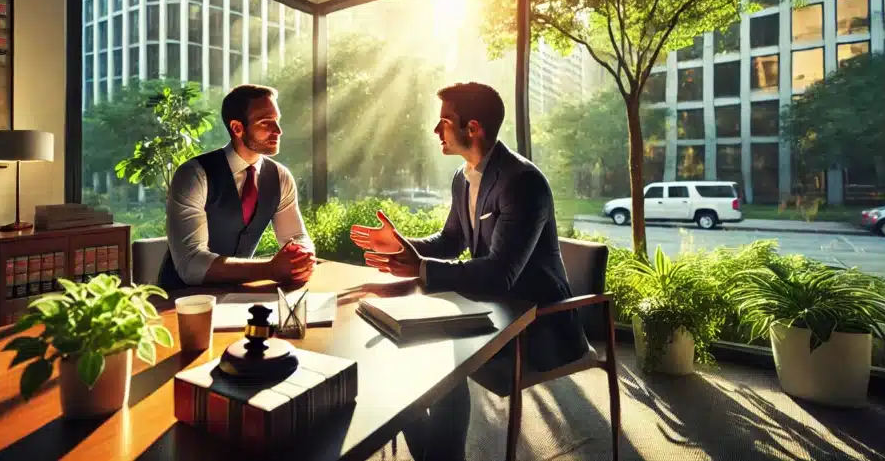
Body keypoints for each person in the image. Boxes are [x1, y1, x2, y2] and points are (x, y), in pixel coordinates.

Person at [350, 82, 589, 461]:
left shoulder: (523, 182)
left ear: (472, 128)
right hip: (490, 309)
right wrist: (402, 245)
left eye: (444, 121)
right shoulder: (464, 177)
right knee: (408, 349)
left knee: (441, 360)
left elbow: (500, 275)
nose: (435, 130)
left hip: (537, 323)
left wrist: (423, 269)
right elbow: (450, 240)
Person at [159, 84, 316, 289]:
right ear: (237, 128)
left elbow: (296, 236)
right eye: (265, 123)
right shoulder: (193, 175)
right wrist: (269, 269)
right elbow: (191, 264)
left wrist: (302, 257)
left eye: (277, 121)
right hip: (179, 301)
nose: (278, 131)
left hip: (239, 295)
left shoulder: (281, 178)